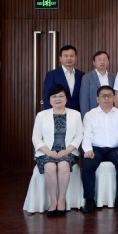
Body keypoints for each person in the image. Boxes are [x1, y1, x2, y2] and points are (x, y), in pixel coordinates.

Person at [32, 85, 83, 216]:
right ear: (49, 100)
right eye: (54, 96)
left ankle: (61, 200)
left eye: (61, 96)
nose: (58, 99)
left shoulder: (76, 114)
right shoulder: (41, 115)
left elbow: (79, 136)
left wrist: (65, 151)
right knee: (49, 166)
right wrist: (49, 152)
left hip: (68, 151)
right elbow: (36, 138)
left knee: (63, 165)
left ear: (66, 98)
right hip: (47, 151)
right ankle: (53, 201)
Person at [80, 86, 118, 213]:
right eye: (103, 96)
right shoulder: (90, 115)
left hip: (115, 148)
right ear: (97, 99)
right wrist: (88, 150)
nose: (106, 98)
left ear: (114, 98)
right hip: (96, 149)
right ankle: (89, 199)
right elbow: (87, 135)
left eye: (109, 96)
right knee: (87, 164)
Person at [43, 45, 84, 111]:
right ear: (60, 58)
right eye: (66, 56)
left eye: (72, 56)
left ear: (76, 58)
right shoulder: (52, 75)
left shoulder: (81, 75)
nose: (69, 58)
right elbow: (47, 97)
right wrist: (50, 113)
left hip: (77, 113)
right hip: (58, 112)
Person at [79, 51, 116, 118]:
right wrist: (85, 117)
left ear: (108, 62)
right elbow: (84, 100)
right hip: (94, 114)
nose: (102, 62)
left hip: (111, 113)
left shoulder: (114, 77)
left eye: (104, 59)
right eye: (99, 59)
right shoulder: (87, 77)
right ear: (94, 62)